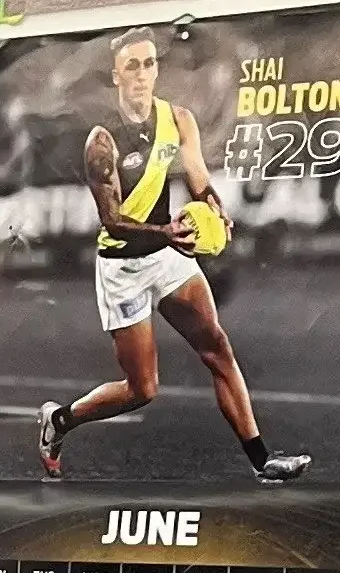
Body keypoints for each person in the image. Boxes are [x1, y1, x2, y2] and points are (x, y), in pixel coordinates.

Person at [37, 29, 308, 485]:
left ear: (157, 68)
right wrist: (166, 232)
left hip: (169, 255)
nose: (142, 74)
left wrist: (215, 207)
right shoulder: (101, 143)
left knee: (217, 347)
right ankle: (60, 421)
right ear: (116, 76)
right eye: (131, 66)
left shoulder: (178, 119)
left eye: (148, 64)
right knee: (143, 390)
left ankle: (263, 462)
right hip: (123, 267)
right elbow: (112, 221)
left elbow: (199, 181)